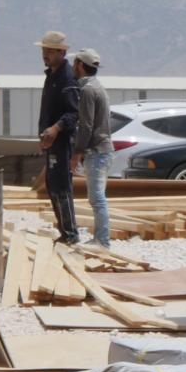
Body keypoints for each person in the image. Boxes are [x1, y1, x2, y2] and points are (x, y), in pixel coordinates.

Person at [35, 30, 80, 243]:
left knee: (61, 187)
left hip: (62, 142)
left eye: (49, 51)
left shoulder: (67, 78)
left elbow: (73, 113)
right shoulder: (52, 75)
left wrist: (55, 128)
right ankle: (64, 231)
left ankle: (71, 234)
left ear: (61, 52)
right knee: (53, 185)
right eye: (44, 50)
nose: (45, 54)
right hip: (52, 141)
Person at [68, 49, 114, 249]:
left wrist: (76, 154)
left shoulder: (87, 90)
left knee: (97, 199)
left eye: (74, 64)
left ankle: (102, 241)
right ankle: (99, 239)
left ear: (79, 64)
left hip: (97, 151)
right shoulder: (98, 87)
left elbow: (86, 125)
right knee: (97, 197)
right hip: (103, 149)